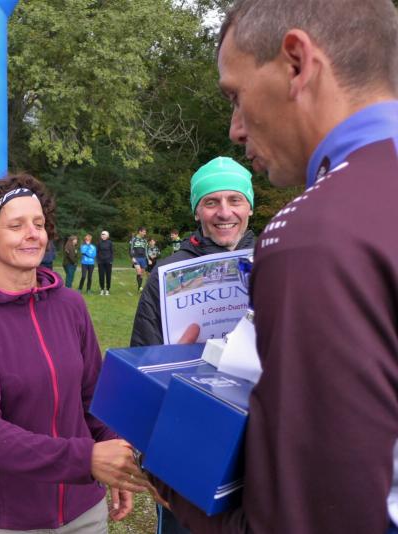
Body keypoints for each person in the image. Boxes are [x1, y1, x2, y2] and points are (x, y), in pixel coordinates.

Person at [154, 1, 398, 532]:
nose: (235, 129)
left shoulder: (315, 234)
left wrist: (167, 468)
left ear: (296, 63)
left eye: (235, 96)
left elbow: (304, 520)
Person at [0, 174, 155, 533]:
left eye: (39, 224)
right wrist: (87, 459)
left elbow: (94, 397)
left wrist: (112, 456)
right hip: (9, 519)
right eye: (16, 225)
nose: (33, 234)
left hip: (84, 511)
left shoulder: (71, 305)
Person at [130, 156, 255, 534]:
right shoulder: (168, 273)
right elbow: (143, 356)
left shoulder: (274, 261)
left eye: (235, 200)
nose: (224, 212)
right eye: (211, 202)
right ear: (197, 210)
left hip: (259, 435)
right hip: (188, 430)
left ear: (250, 206)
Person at [128, 226, 148, 292]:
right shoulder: (133, 239)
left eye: (145, 232)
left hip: (143, 258)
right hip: (136, 258)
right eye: (144, 232)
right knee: (139, 271)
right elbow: (130, 249)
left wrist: (147, 259)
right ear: (140, 231)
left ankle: (139, 287)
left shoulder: (145, 240)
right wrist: (132, 257)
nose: (145, 233)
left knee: (142, 273)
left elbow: (146, 250)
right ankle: (140, 287)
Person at [96, 230, 114, 296]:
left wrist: (111, 260)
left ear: (107, 236)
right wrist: (98, 260)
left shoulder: (110, 243)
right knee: (101, 276)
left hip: (108, 261)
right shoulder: (99, 243)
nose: (103, 235)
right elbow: (97, 252)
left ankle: (107, 290)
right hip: (101, 262)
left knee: (108, 276)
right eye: (102, 234)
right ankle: (102, 289)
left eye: (104, 234)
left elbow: (112, 252)